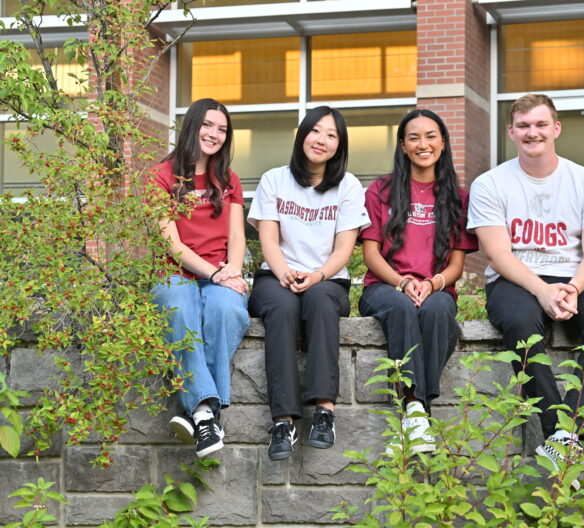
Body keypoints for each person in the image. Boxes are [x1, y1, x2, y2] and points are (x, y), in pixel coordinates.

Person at [468, 93, 584, 473]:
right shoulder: (490, 184)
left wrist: (572, 288)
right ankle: (560, 433)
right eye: (523, 126)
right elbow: (497, 254)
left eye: (540, 124)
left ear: (556, 128)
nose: (531, 132)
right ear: (511, 132)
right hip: (516, 278)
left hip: (573, 276)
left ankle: (572, 428)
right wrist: (542, 290)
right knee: (521, 324)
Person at [247, 106, 370, 462]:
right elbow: (268, 240)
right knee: (283, 307)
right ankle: (283, 422)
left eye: (332, 135)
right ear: (302, 134)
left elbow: (344, 248)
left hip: (328, 279)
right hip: (276, 275)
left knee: (317, 300)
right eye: (316, 131)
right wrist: (284, 271)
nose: (322, 140)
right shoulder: (274, 179)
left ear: (339, 145)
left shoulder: (348, 187)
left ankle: (325, 412)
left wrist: (316, 275)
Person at [359, 109, 478, 454]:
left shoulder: (458, 197)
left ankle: (414, 414)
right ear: (402, 145)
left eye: (430, 136)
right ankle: (417, 406)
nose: (423, 144)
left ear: (443, 143)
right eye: (414, 137)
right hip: (384, 287)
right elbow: (371, 255)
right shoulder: (380, 190)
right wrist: (402, 283)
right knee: (401, 309)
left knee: (439, 312)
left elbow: (457, 264)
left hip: (437, 287)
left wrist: (433, 283)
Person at [151, 98, 250, 458]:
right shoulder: (160, 176)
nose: (215, 134)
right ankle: (207, 411)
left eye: (222, 129)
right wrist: (217, 273)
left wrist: (233, 272)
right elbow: (172, 245)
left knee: (226, 310)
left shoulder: (229, 180)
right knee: (179, 308)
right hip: (175, 274)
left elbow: (237, 236)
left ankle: (197, 412)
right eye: (208, 125)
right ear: (192, 126)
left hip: (222, 273)